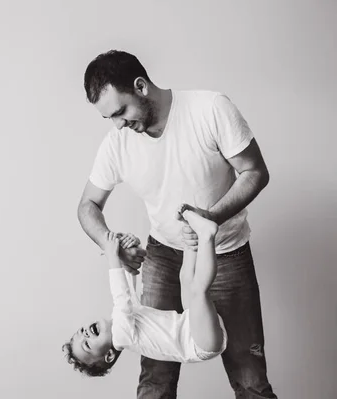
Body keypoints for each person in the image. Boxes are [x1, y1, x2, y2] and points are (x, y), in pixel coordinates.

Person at [78, 50, 276, 398]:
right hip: (163, 257)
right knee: (156, 382)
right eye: (109, 118)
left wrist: (211, 218)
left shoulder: (210, 109)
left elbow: (255, 172)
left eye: (120, 112)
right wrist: (111, 245)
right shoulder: (117, 143)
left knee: (250, 381)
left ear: (140, 87)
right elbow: (87, 206)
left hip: (227, 252)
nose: (118, 125)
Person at [62, 207, 227, 377]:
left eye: (81, 333)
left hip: (191, 324)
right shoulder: (121, 337)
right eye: (87, 345)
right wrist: (112, 258)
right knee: (199, 290)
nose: (85, 334)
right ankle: (207, 235)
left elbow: (128, 284)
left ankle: (190, 231)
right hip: (201, 343)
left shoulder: (124, 322)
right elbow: (121, 299)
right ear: (109, 355)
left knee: (185, 277)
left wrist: (130, 247)